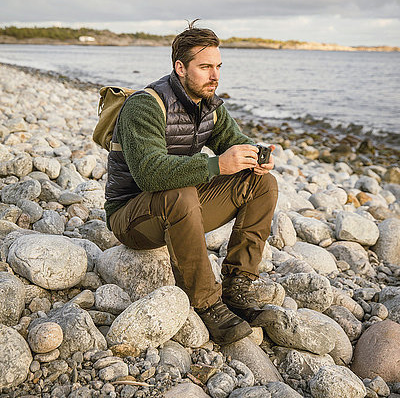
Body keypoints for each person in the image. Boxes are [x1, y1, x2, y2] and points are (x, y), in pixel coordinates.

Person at [104, 21, 278, 345]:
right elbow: (149, 173)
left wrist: (257, 156)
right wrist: (216, 165)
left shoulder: (209, 105)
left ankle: (237, 288)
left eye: (218, 67)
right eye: (206, 67)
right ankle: (206, 303)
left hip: (177, 211)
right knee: (180, 193)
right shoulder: (145, 104)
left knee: (263, 185)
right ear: (180, 68)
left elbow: (234, 142)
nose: (215, 76)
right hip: (131, 218)